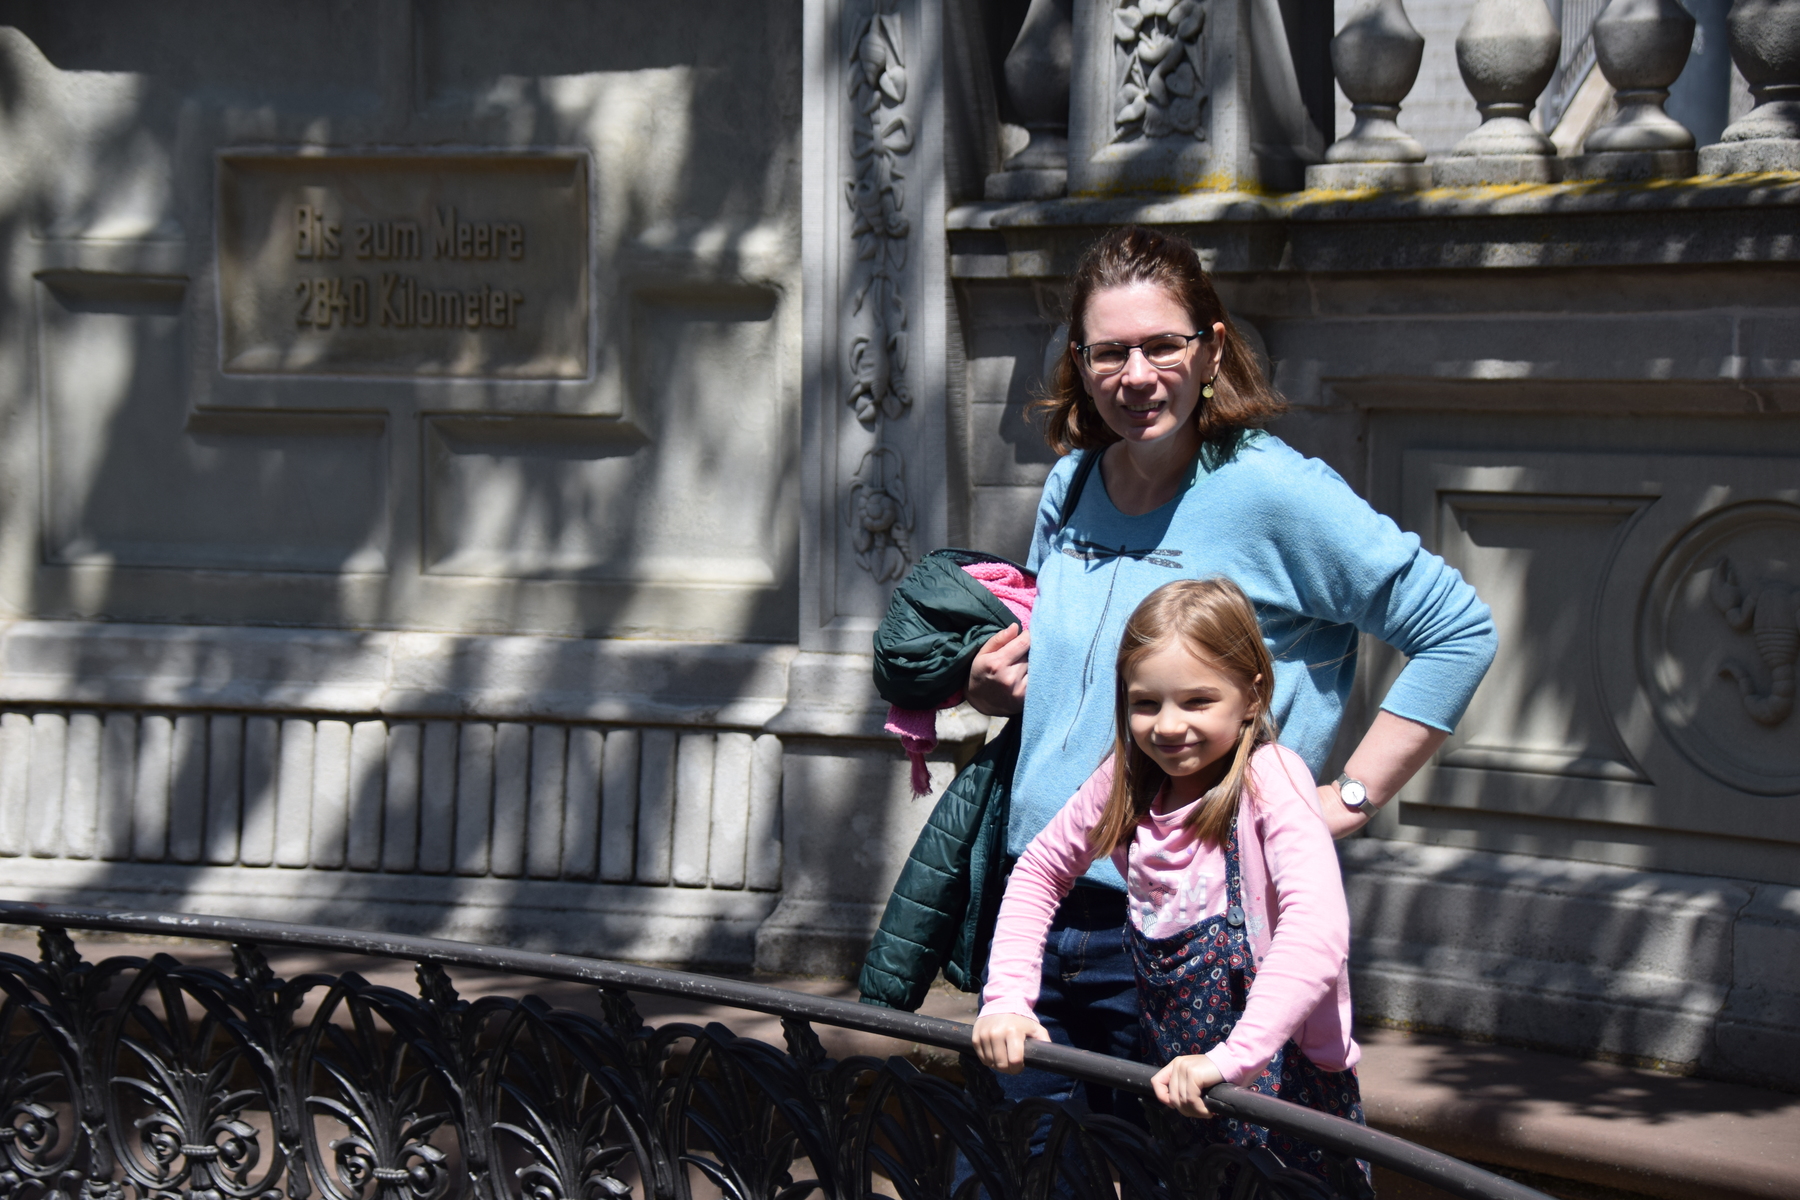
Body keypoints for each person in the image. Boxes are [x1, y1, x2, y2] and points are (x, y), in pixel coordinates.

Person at [963, 225, 1495, 1124]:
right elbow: (1090, 680)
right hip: (1038, 907)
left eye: (1162, 346)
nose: (1136, 376)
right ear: (1079, 365)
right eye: (1109, 352)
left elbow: (1457, 630)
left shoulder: (1273, 491)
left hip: (1180, 931)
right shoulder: (1073, 483)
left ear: (1211, 350)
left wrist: (1350, 798)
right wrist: (999, 687)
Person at [975, 579, 1371, 1196]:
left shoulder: (1271, 778)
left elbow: (1315, 932)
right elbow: (1039, 870)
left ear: (1252, 695)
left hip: (1282, 1098)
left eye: (1197, 701)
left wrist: (1230, 1060)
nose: (1168, 725)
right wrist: (1006, 998)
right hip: (1178, 1098)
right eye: (1145, 703)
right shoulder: (1129, 780)